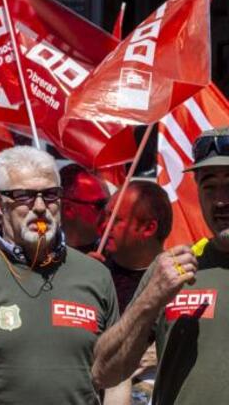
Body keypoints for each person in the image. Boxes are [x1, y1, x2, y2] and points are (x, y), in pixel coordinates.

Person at [0, 146, 128, 405]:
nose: (41, 207)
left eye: (51, 194)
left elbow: (116, 373)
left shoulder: (96, 275)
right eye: (24, 196)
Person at [92, 127, 229, 404]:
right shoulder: (174, 268)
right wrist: (150, 299)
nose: (221, 200)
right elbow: (105, 373)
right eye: (209, 186)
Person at [99, 179, 172, 311]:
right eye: (107, 215)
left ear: (149, 228)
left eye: (116, 219)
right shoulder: (95, 273)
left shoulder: (171, 281)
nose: (105, 225)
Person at [61, 163, 110, 254]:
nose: (108, 211)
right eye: (100, 204)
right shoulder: (44, 253)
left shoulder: (115, 254)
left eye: (109, 204)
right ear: (68, 210)